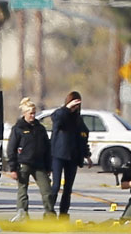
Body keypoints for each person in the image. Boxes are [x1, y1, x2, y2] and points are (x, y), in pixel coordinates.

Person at [6, 97, 54, 222]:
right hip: (23, 163)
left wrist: (49, 166)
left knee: (47, 190)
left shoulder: (40, 129)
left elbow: (47, 148)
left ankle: (50, 214)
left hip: (39, 164)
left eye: (34, 113)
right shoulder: (18, 128)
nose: (33, 116)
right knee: (22, 190)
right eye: (30, 113)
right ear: (24, 113)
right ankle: (22, 214)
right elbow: (11, 148)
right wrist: (13, 168)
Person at [48, 90, 91, 219]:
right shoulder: (61, 115)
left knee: (68, 188)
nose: (76, 107)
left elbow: (83, 137)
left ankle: (63, 214)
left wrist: (86, 154)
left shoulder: (78, 120)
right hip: (58, 155)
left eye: (78, 105)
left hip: (72, 157)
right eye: (74, 104)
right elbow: (56, 117)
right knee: (55, 186)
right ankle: (49, 212)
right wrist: (67, 108)